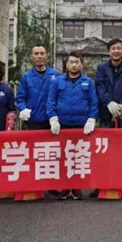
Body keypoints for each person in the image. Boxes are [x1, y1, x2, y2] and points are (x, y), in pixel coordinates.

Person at [46, 51, 99, 200]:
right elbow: (51, 102)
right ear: (67, 64)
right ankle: (64, 188)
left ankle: (76, 188)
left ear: (81, 64)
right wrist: (53, 119)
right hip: (62, 126)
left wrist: (91, 119)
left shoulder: (88, 82)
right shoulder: (57, 81)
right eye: (71, 62)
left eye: (77, 62)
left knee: (79, 157)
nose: (74, 65)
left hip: (81, 127)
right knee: (63, 157)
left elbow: (94, 103)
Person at [93, 38, 122, 199]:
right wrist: (109, 103)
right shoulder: (102, 69)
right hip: (106, 115)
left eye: (119, 48)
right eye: (113, 49)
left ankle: (120, 183)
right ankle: (101, 184)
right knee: (103, 152)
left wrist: (120, 105)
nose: (116, 51)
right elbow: (99, 87)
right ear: (109, 51)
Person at [15, 45, 60, 131]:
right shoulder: (27, 77)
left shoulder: (56, 75)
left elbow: (61, 97)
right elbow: (20, 98)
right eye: (36, 54)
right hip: (33, 121)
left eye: (42, 53)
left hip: (53, 121)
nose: (39, 56)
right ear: (31, 56)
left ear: (46, 56)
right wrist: (23, 109)